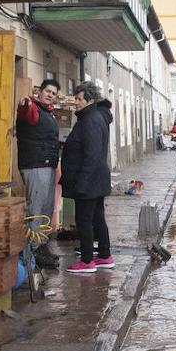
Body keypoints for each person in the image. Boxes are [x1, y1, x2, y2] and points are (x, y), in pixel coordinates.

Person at [60, 81, 114, 274]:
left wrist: (82, 183)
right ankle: (105, 256)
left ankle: (87, 260)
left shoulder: (90, 120)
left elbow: (92, 154)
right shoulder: (96, 117)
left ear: (89, 100)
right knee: (98, 218)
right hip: (96, 180)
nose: (76, 103)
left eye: (79, 99)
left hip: (88, 181)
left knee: (84, 220)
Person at [16, 79, 62, 269]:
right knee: (36, 209)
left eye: (53, 93)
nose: (50, 95)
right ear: (40, 92)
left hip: (48, 165)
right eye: (48, 91)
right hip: (35, 165)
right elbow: (26, 111)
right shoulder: (33, 109)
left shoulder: (49, 113)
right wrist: (25, 103)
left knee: (46, 208)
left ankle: (42, 246)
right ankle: (32, 252)